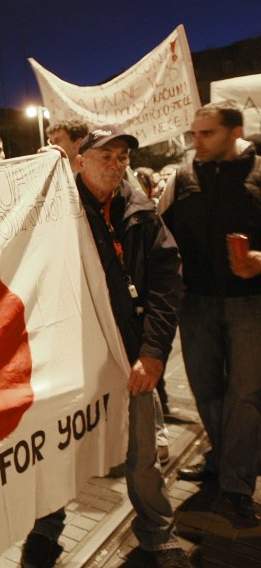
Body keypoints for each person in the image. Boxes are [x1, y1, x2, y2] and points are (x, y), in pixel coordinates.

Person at [22, 125, 189, 568]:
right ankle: (45, 531)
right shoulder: (57, 207)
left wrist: (152, 353)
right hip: (67, 358)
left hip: (127, 355)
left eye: (122, 157)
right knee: (58, 454)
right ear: (80, 161)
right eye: (105, 156)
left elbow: (166, 284)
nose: (116, 165)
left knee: (140, 457)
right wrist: (29, 176)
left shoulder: (141, 211)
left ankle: (158, 535)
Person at [159, 101, 261, 524]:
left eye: (207, 134)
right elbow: (158, 232)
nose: (196, 142)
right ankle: (222, 456)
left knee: (247, 393)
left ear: (235, 132)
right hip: (195, 303)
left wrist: (259, 259)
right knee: (207, 389)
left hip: (250, 304)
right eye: (194, 134)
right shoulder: (182, 177)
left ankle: (237, 483)